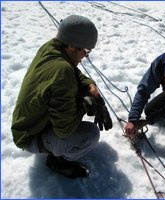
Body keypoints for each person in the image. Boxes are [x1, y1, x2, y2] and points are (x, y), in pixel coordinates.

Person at [11, 15, 113, 178]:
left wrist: (90, 86)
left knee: (76, 95)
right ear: (73, 46)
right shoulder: (62, 71)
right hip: (30, 135)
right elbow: (65, 130)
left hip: (27, 123)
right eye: (85, 51)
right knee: (90, 134)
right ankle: (59, 161)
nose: (85, 56)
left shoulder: (52, 48)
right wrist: (86, 104)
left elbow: (73, 72)